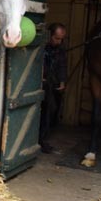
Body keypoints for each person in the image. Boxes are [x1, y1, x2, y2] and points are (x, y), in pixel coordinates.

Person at [39, 23, 68, 153]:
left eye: (61, 39)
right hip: (41, 83)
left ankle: (42, 138)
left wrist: (62, 81)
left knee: (52, 110)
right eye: (56, 38)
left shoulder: (60, 48)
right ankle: (40, 139)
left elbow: (62, 64)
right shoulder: (41, 47)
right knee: (45, 110)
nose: (59, 41)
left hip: (52, 83)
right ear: (50, 35)